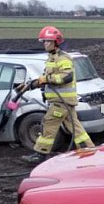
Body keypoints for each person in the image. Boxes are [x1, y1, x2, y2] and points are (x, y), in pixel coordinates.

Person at [20, 26, 95, 164]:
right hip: (64, 101)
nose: (44, 44)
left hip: (62, 101)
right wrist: (34, 83)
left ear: (56, 42)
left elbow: (66, 77)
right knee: (74, 126)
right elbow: (48, 77)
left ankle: (40, 154)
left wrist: (47, 79)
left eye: (47, 41)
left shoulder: (63, 58)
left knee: (49, 123)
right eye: (43, 41)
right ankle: (88, 149)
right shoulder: (52, 58)